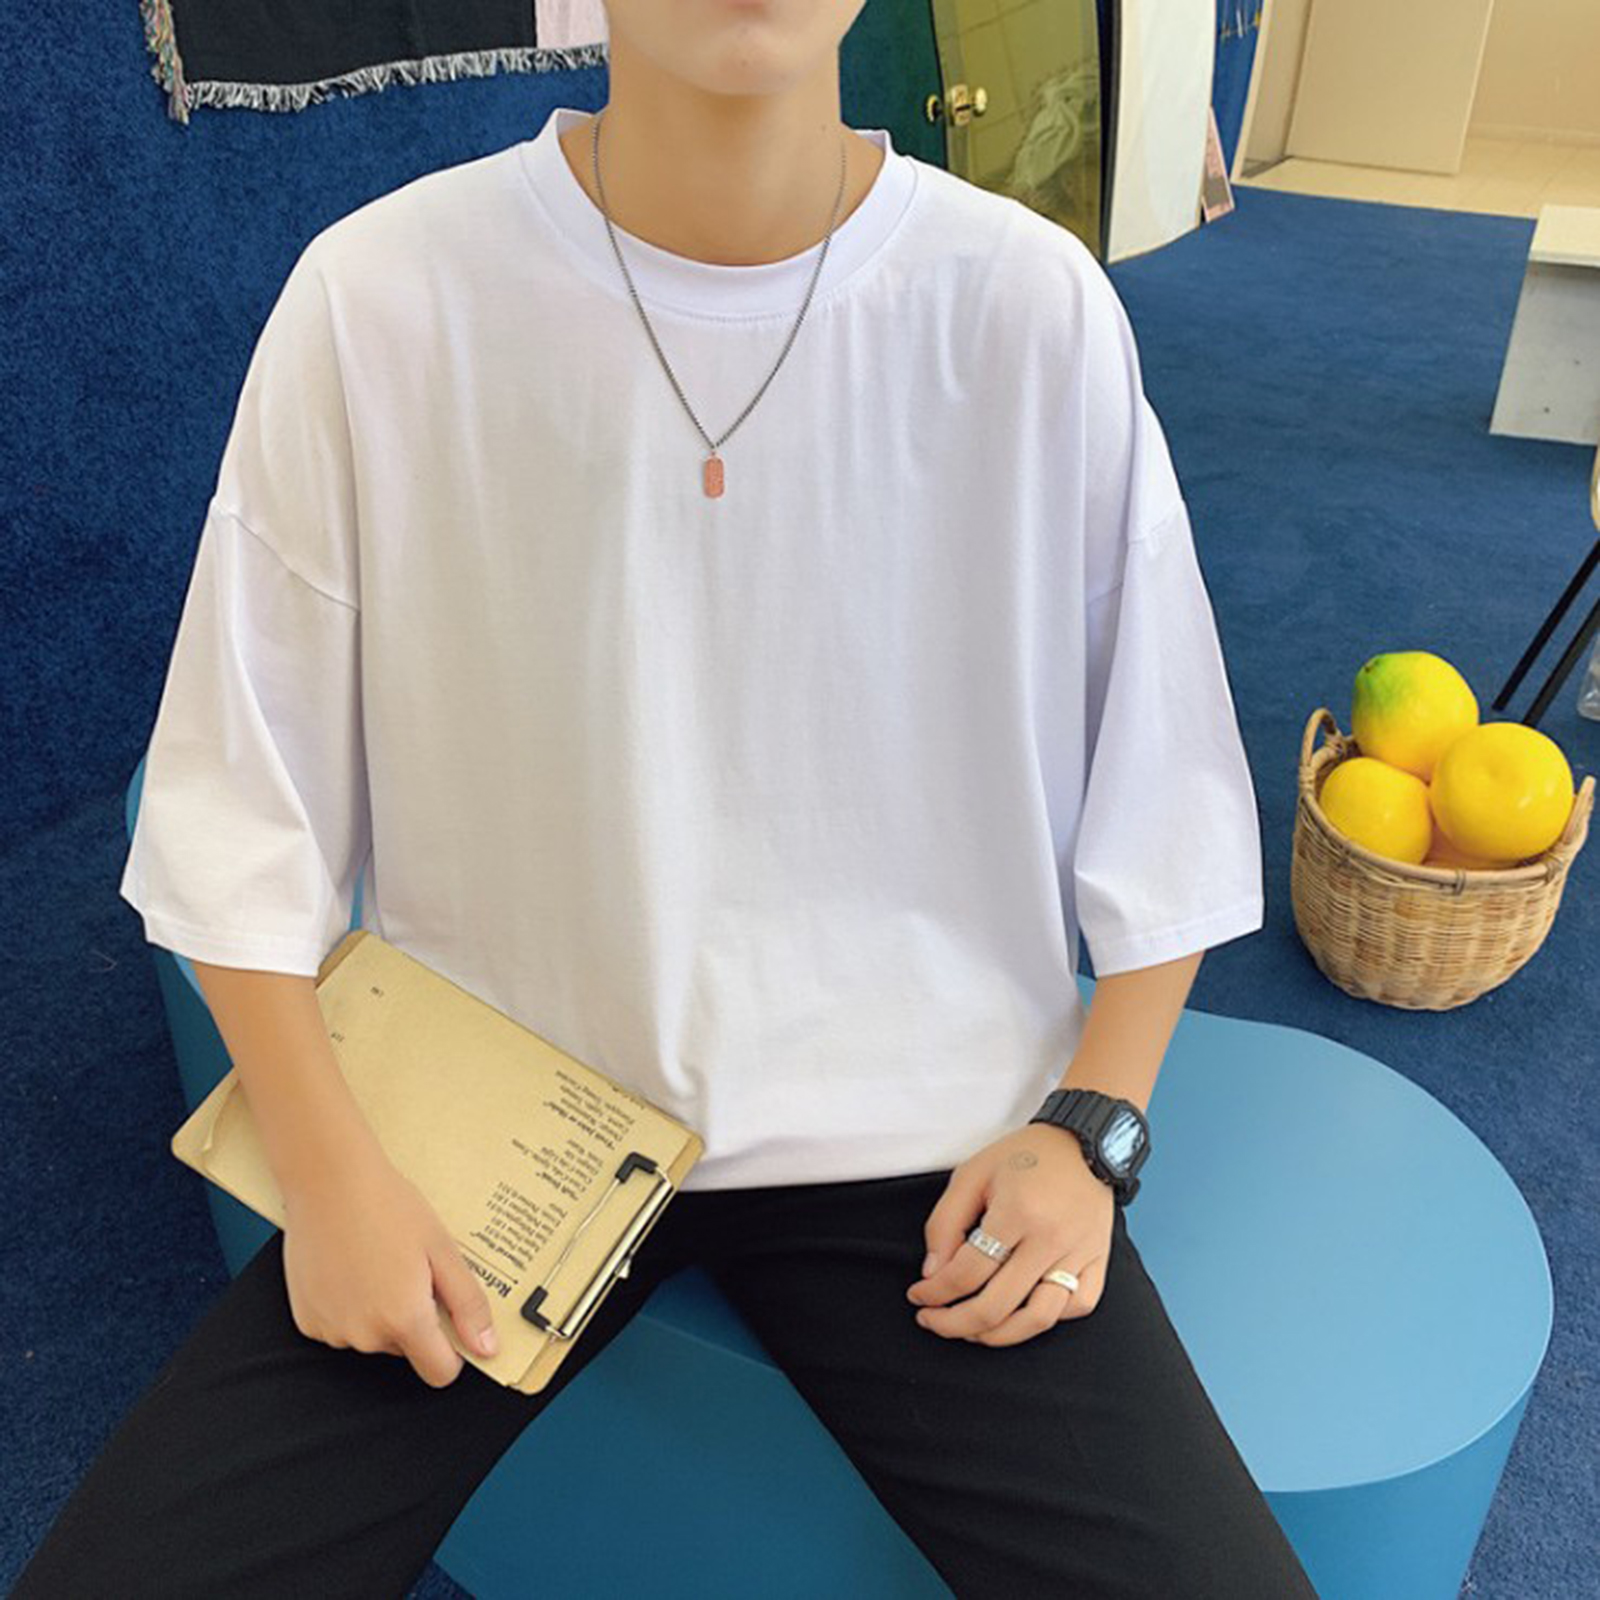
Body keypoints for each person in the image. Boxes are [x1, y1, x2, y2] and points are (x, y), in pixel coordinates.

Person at [14, 3, 1320, 1596]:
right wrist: (334, 1173)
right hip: (498, 1114)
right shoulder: (382, 295)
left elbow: (1163, 775)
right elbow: (237, 799)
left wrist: (1092, 1125)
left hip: (924, 1134)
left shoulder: (1025, 305)